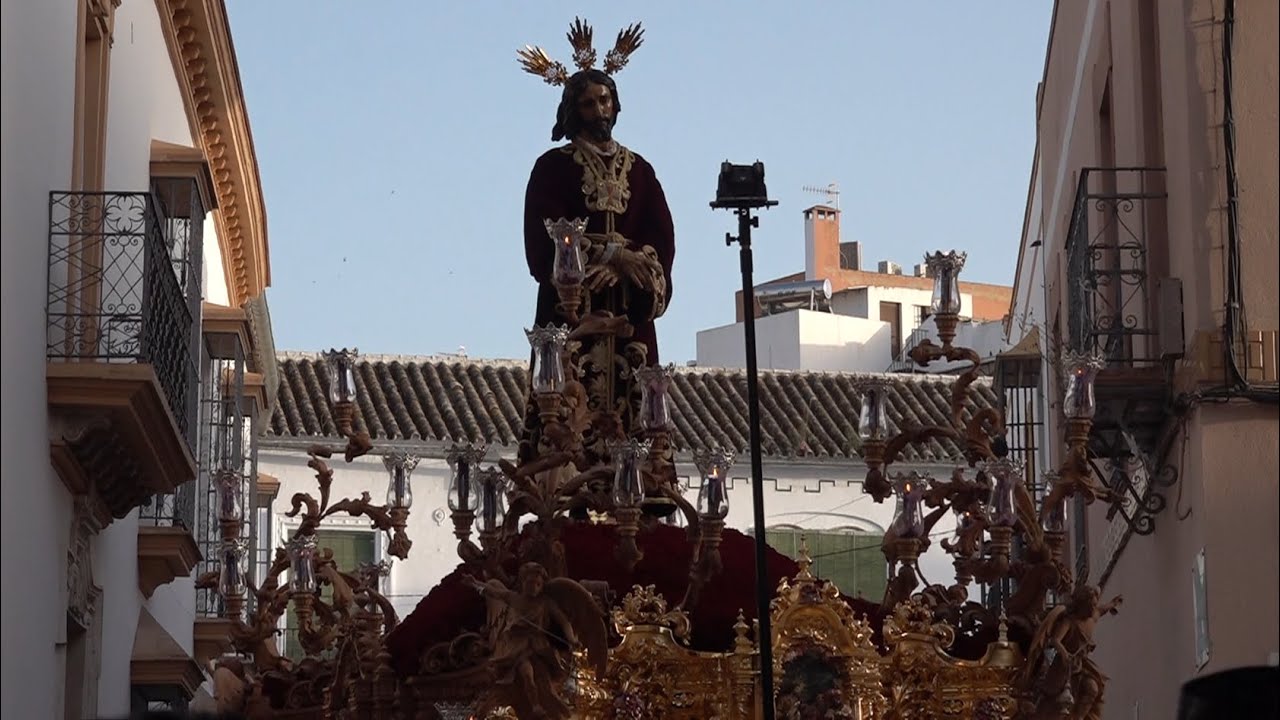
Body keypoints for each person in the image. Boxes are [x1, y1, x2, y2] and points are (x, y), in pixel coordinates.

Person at [517, 21, 676, 470]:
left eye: (604, 100)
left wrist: (632, 266)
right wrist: (607, 254)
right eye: (587, 103)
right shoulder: (552, 168)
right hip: (571, 318)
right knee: (562, 416)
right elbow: (540, 237)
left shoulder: (640, 170)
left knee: (638, 419)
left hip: (629, 315)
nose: (598, 109)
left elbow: (662, 239)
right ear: (573, 110)